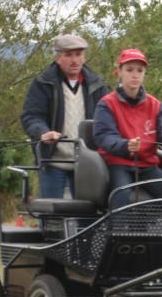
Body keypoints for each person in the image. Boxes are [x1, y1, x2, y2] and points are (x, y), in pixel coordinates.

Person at [93, 48, 162, 209]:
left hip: (146, 165)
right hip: (117, 163)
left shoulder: (156, 105)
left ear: (144, 74)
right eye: (129, 70)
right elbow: (104, 136)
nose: (135, 75)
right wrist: (125, 145)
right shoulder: (106, 104)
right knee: (121, 194)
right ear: (120, 72)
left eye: (140, 70)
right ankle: (116, 233)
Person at [21, 34, 109, 198]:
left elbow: (109, 118)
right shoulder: (42, 84)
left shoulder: (97, 84)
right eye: (68, 55)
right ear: (58, 58)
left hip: (87, 163)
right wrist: (43, 132)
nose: (74, 60)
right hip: (53, 161)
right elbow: (31, 116)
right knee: (51, 217)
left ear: (84, 57)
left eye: (78, 54)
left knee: (86, 217)